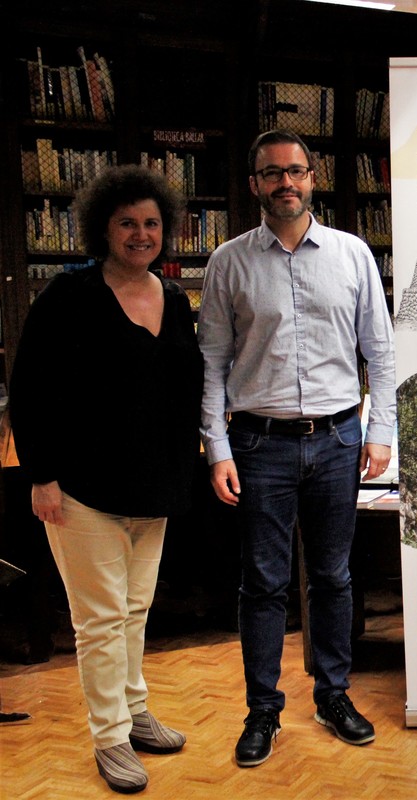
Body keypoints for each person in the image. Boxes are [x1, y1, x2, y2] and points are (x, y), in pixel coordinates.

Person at [198, 130, 396, 767]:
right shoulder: (229, 262)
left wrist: (380, 432)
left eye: (296, 171)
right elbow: (211, 364)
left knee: (334, 577)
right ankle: (262, 710)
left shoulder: (353, 254)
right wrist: (217, 447)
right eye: (271, 173)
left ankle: (332, 695)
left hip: (340, 440)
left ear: (313, 178)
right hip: (259, 444)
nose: (285, 182)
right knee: (263, 584)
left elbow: (381, 354)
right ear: (254, 183)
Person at [8, 165, 202, 793]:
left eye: (151, 223)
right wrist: (40, 477)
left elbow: (182, 389)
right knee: (98, 619)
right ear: (103, 228)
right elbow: (29, 390)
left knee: (135, 610)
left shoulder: (174, 299)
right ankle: (110, 737)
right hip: (80, 489)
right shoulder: (66, 297)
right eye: (127, 223)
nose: (141, 234)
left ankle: (136, 709)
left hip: (154, 485)